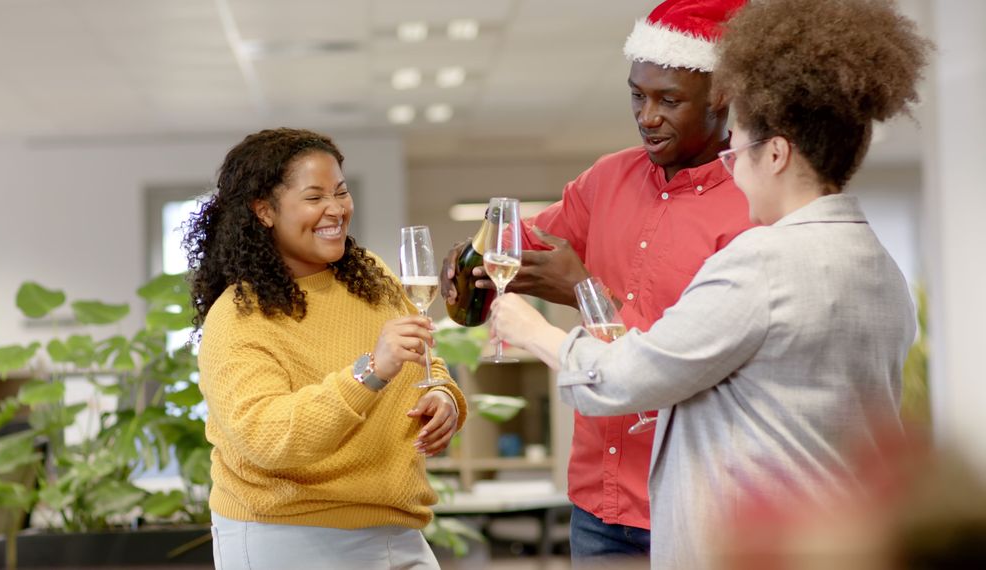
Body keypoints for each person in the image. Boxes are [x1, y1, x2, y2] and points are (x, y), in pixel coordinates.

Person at [488, 0, 930, 567]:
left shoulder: (762, 263)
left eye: (739, 142)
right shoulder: (880, 267)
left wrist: (530, 331)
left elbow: (629, 375)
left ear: (775, 153)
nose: (730, 162)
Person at [440, 0, 751, 563]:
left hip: (693, 509)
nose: (648, 116)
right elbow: (514, 243)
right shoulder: (608, 178)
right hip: (596, 506)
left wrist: (583, 291)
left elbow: (680, 367)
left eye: (669, 100)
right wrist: (471, 256)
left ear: (723, 95)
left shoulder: (750, 209)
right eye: (638, 95)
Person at [185, 128, 467, 570]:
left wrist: (444, 396)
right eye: (315, 197)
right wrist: (371, 370)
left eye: (341, 191)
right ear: (264, 211)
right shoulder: (238, 316)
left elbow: (424, 361)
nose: (336, 209)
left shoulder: (370, 276)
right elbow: (269, 438)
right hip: (286, 535)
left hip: (397, 529)